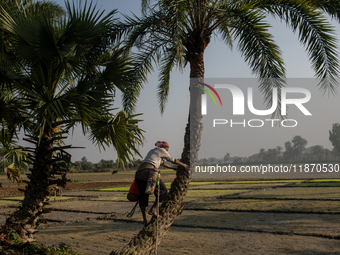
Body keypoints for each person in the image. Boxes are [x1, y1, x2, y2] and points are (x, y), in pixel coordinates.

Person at [135, 141, 190, 226]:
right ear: (165, 148)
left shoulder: (153, 151)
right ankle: (153, 209)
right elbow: (171, 159)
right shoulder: (161, 150)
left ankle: (145, 220)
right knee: (163, 191)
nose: (167, 152)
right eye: (167, 150)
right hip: (150, 172)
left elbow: (163, 163)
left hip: (139, 173)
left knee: (143, 197)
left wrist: (174, 168)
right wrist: (183, 165)